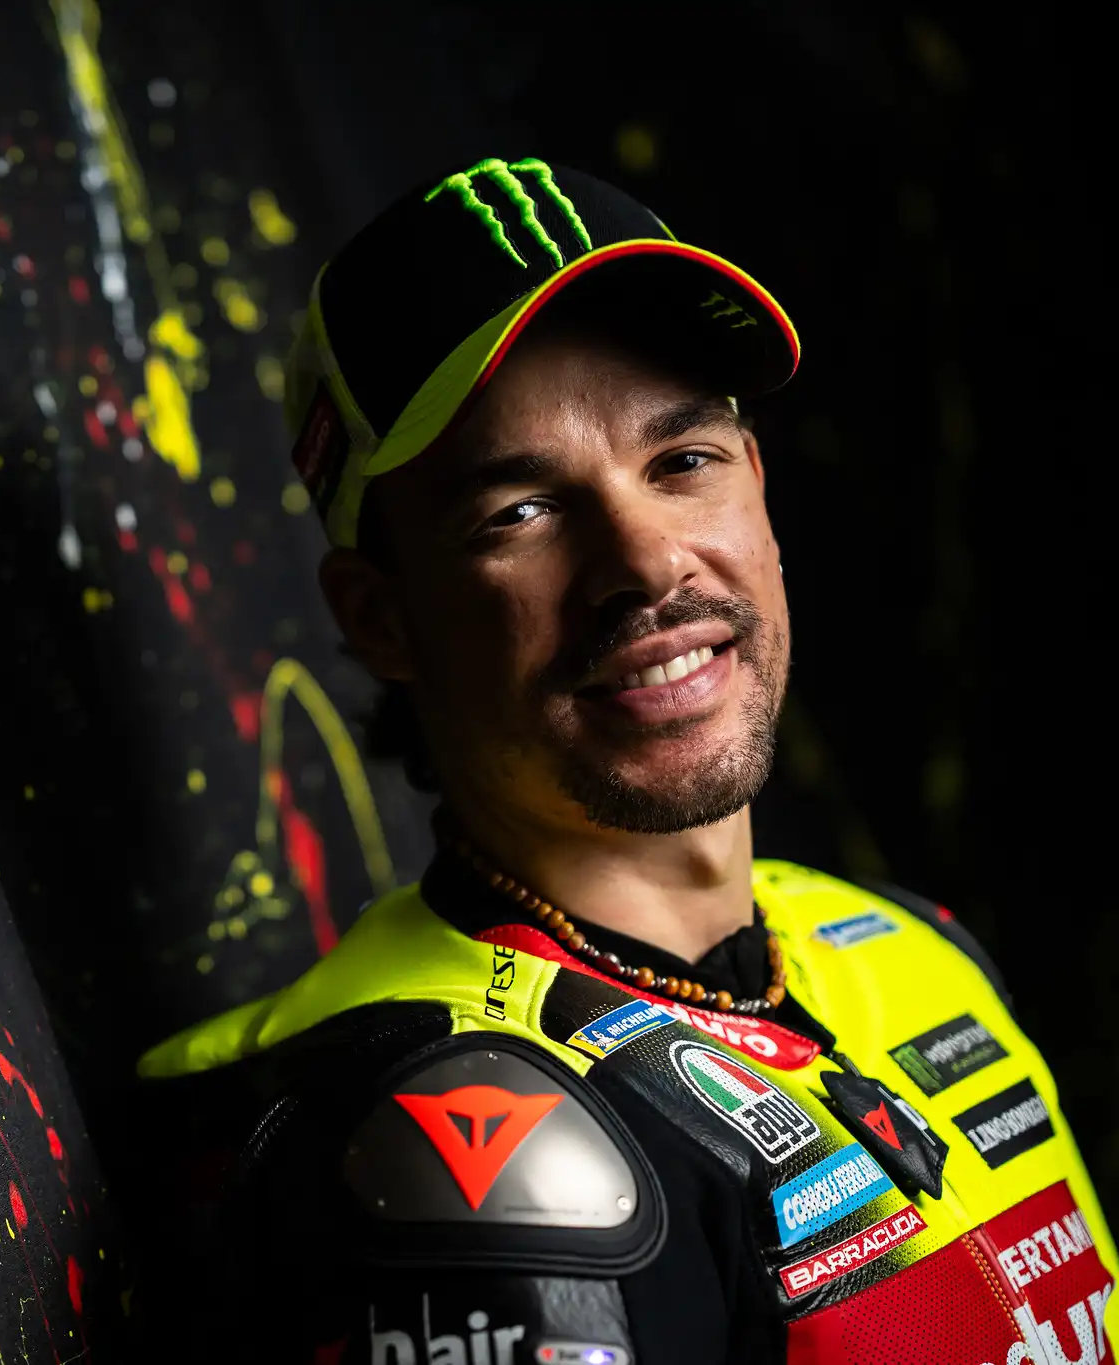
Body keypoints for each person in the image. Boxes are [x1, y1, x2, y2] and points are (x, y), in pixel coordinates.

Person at [135, 157, 1115, 1364]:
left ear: (755, 486)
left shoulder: (907, 947)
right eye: (519, 513)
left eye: (681, 462)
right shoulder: (456, 1134)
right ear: (380, 617)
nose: (646, 563)